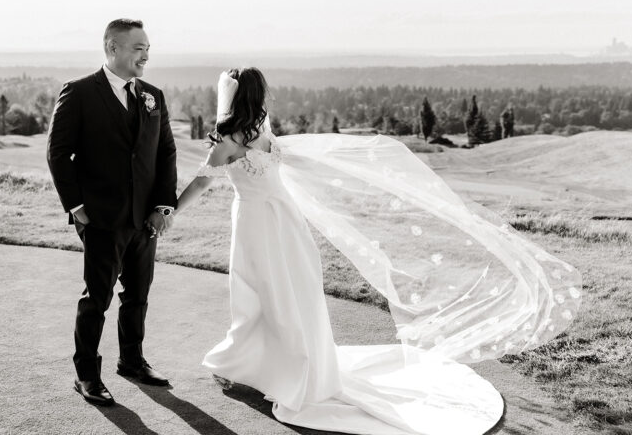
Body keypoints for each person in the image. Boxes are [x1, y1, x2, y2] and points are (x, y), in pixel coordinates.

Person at [174, 68, 581, 434]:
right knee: (268, 293)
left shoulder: (254, 134)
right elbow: (202, 183)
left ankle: (268, 365)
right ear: (255, 96)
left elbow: (206, 183)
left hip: (275, 224)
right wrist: (170, 210)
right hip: (266, 223)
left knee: (277, 293)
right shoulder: (247, 136)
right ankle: (260, 363)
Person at [47, 18, 177, 406]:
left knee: (138, 294)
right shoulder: (81, 92)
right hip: (101, 217)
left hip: (145, 220)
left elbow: (165, 152)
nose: (146, 56)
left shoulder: (153, 95)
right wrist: (77, 206)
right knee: (97, 298)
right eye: (139, 48)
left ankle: (132, 361)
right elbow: (58, 153)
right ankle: (87, 374)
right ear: (112, 48)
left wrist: (162, 206)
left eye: (148, 49)